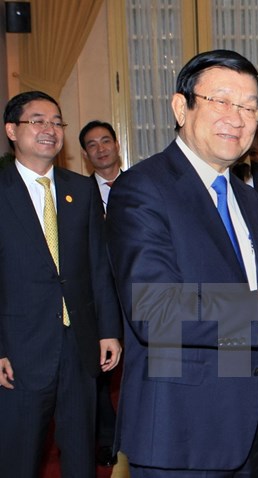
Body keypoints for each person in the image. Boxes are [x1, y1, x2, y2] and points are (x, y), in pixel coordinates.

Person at [105, 49, 258, 477]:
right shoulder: (142, 188)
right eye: (221, 101)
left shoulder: (246, 198)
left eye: (249, 108)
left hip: (247, 427)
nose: (236, 118)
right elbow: (154, 310)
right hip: (181, 434)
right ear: (180, 107)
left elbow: (231, 291)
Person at [0, 91, 123, 477]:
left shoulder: (81, 190)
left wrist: (108, 330)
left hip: (79, 346)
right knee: (18, 457)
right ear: (11, 130)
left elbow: (98, 266)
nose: (50, 129)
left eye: (56, 122)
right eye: (37, 121)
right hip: (19, 350)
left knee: (80, 455)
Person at [79, 119, 124, 467]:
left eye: (105, 141)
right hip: (97, 296)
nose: (100, 149)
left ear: (117, 145)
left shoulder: (142, 185)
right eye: (92, 145)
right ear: (85, 154)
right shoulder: (78, 193)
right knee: (99, 373)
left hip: (140, 293)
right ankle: (107, 439)